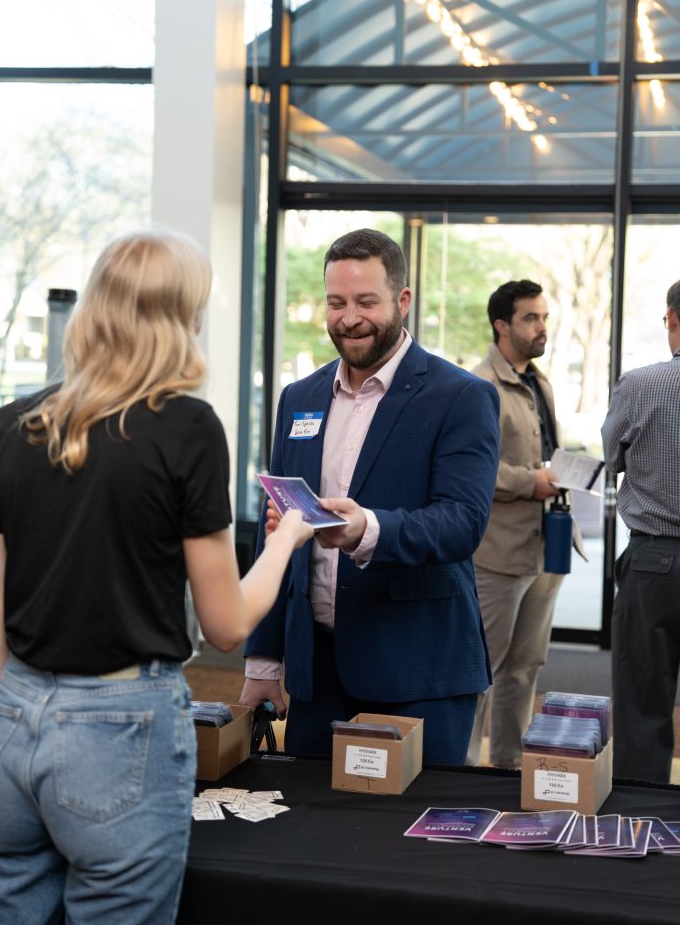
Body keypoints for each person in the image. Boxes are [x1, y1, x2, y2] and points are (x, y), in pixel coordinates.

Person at [0, 229, 312, 925]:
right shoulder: (187, 428)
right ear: (182, 318)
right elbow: (227, 624)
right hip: (120, 726)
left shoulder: (13, 423)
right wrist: (286, 540)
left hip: (13, 716)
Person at [240, 228, 500, 765]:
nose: (349, 318)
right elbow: (278, 532)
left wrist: (367, 530)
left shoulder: (461, 397)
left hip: (417, 672)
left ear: (402, 301)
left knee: (414, 820)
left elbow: (462, 522)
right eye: (336, 303)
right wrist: (263, 661)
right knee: (307, 814)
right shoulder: (299, 398)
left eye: (365, 302)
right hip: (317, 678)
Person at [466, 279, 583, 770]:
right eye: (531, 318)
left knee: (525, 668)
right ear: (502, 325)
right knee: (481, 670)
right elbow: (472, 468)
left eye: (544, 317)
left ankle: (508, 767)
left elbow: (547, 452)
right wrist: (528, 482)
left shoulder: (539, 381)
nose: (542, 327)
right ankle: (459, 770)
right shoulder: (479, 387)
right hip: (498, 553)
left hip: (546, 547)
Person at [601, 280, 680, 783]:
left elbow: (610, 460)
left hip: (654, 563)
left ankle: (642, 813)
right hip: (654, 561)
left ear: (672, 319)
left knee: (642, 702)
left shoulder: (639, 385)